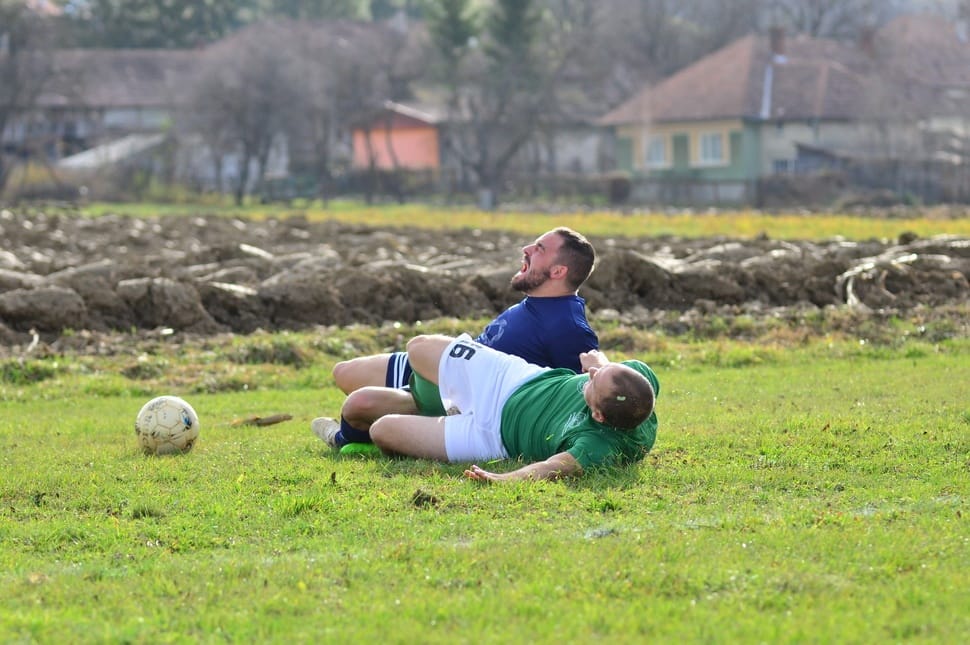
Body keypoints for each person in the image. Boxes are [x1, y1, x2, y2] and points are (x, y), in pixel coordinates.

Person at [316, 227, 599, 449]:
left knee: (359, 404)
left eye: (539, 249)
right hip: (443, 367)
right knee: (344, 372)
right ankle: (387, 412)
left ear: (558, 271)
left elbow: (580, 393)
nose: (526, 249)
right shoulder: (537, 301)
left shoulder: (568, 327)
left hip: (461, 399)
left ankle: (346, 438)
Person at [336, 333, 659, 482]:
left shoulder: (598, 445)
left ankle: (440, 412)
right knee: (418, 347)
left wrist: (501, 479)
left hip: (491, 437)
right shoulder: (637, 380)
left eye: (594, 382)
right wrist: (601, 363)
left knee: (383, 430)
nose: (590, 373)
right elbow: (609, 369)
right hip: (511, 379)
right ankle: (443, 402)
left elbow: (550, 468)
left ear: (598, 415)